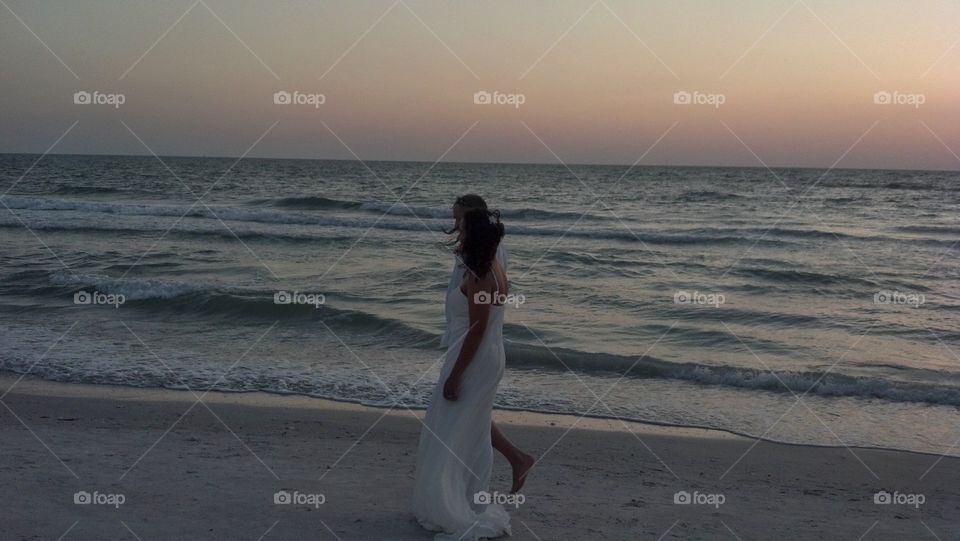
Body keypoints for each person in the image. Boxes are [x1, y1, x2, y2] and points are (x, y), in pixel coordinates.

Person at [412, 198, 533, 540]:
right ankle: (514, 462)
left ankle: (455, 504)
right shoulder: (490, 265)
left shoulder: (481, 275)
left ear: (472, 229)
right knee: (464, 424)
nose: (456, 230)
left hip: (475, 357)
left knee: (449, 429)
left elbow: (477, 329)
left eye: (460, 224)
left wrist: (454, 375)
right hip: (484, 354)